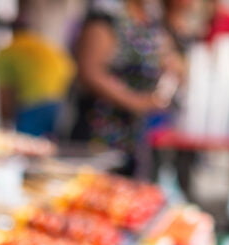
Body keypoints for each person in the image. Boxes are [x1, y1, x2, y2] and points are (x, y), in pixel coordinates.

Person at [70, 0, 176, 177]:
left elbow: (168, 60)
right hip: (100, 130)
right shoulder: (107, 16)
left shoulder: (152, 20)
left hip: (137, 135)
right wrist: (135, 102)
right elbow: (90, 71)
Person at [0, 17, 76, 137]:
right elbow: (69, 66)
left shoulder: (7, 51)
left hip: (33, 102)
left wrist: (6, 119)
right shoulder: (44, 44)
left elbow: (5, 92)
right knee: (49, 142)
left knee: (27, 141)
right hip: (58, 99)